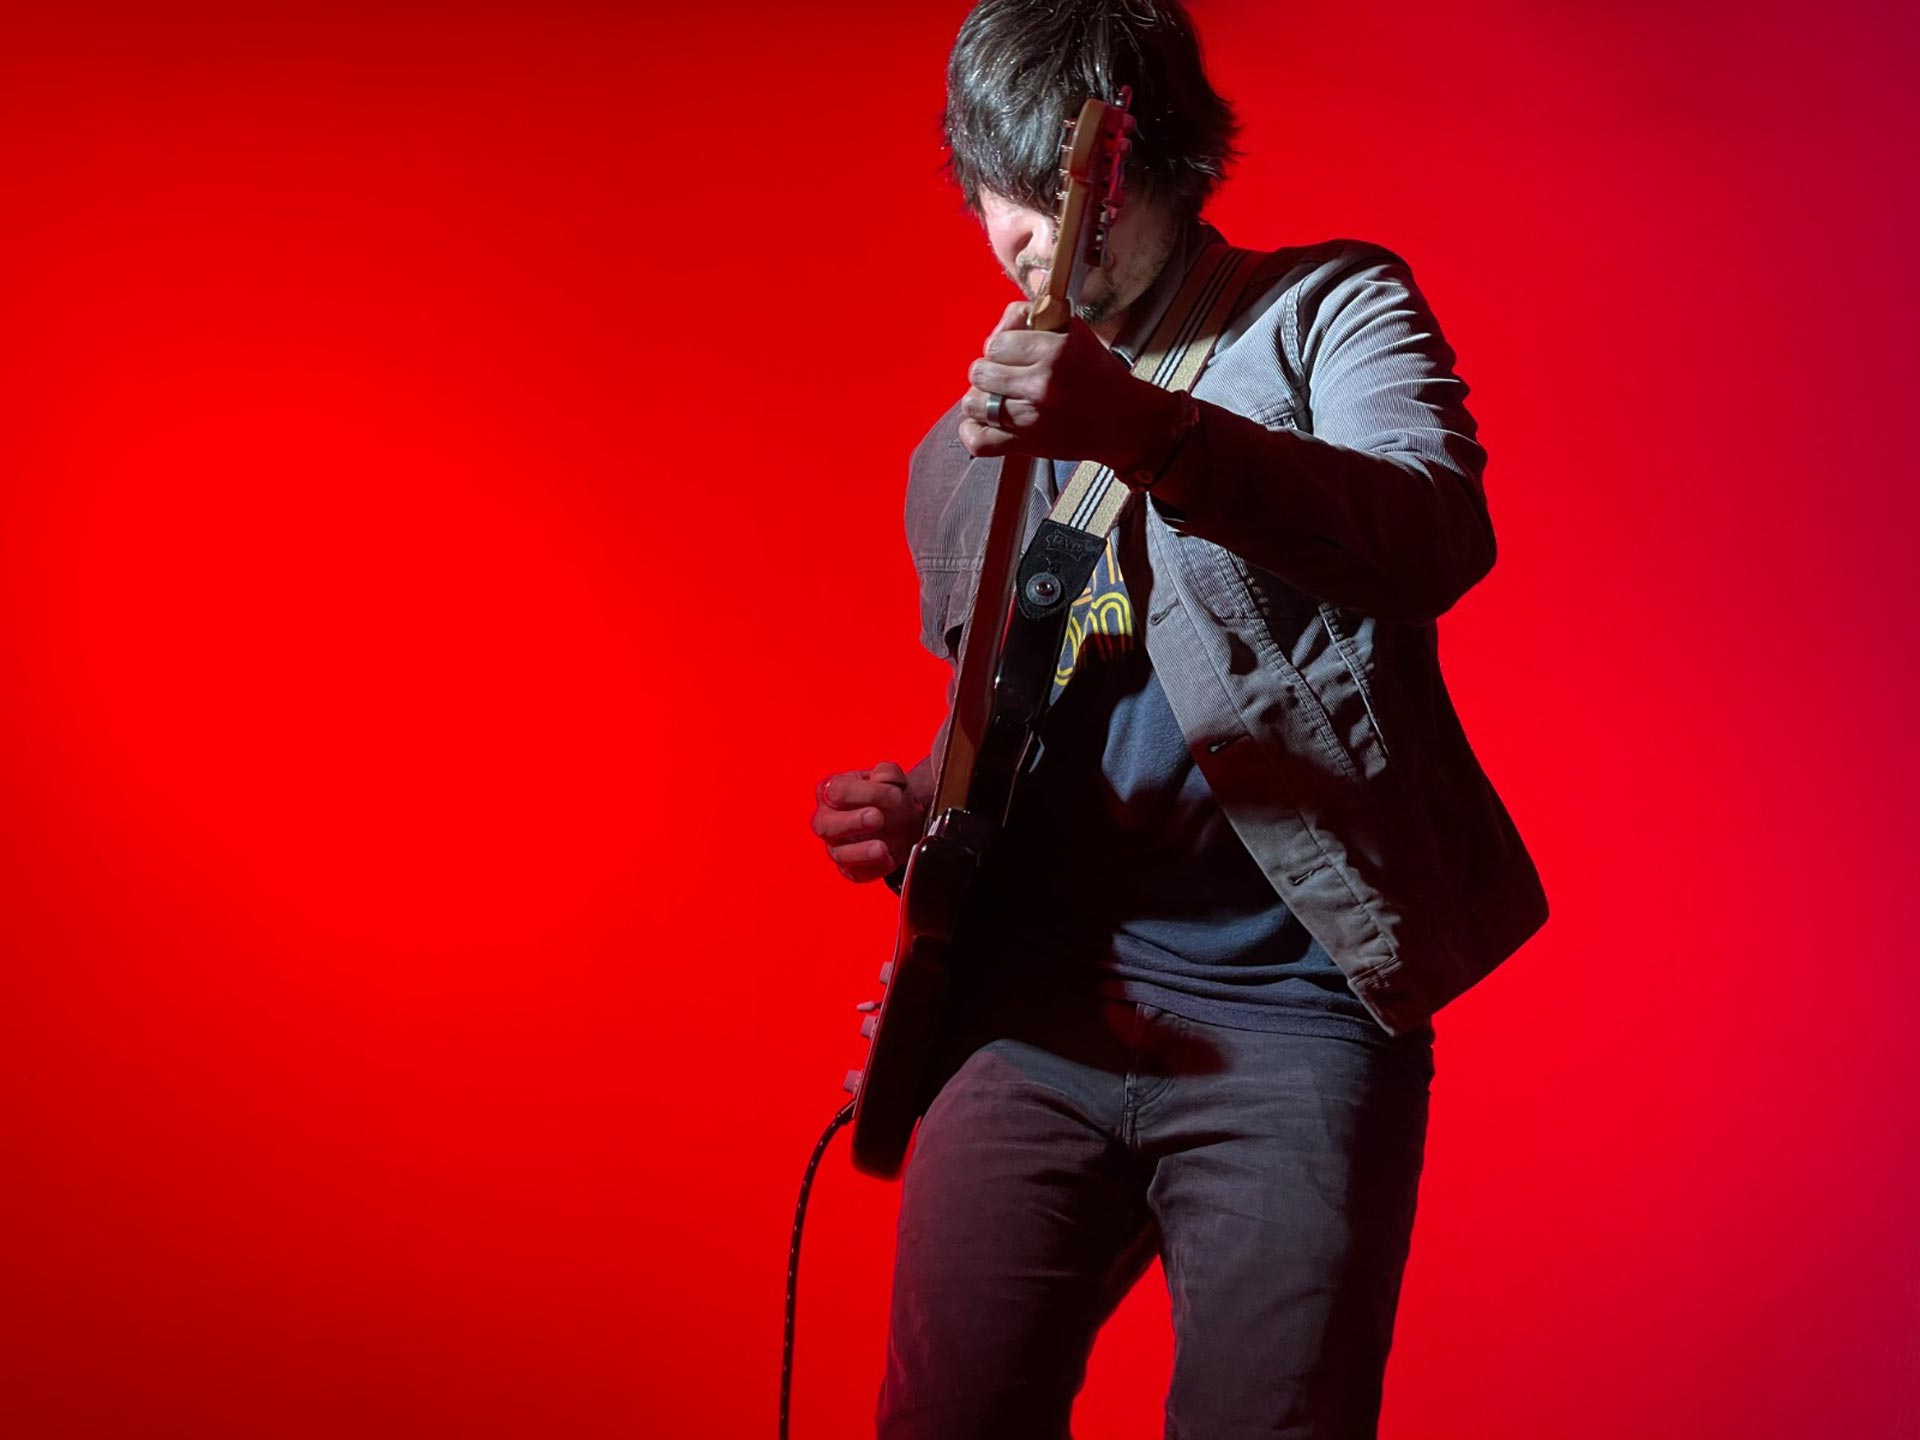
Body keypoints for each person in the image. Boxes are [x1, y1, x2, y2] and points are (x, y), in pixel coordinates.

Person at [809, 2, 1548, 1435]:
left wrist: (1148, 431)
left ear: (1160, 156)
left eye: (1081, 188)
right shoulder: (955, 462)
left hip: (1292, 1018)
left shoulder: (1328, 311)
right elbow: (1046, 730)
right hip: (1033, 1015)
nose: (1041, 233)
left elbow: (1435, 532)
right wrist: (913, 806)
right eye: (1004, 196)